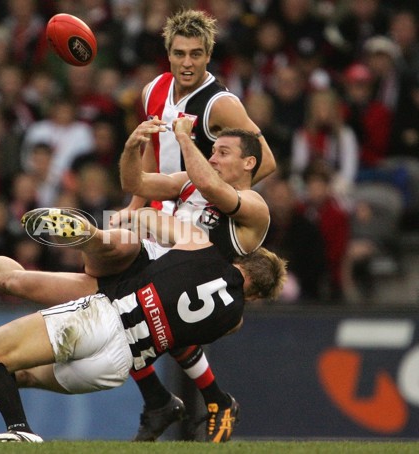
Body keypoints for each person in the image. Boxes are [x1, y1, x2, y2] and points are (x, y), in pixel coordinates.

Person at [0, 212, 287, 443]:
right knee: (20, 375)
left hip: (102, 315)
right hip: (118, 366)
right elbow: (186, 346)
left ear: (240, 261)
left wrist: (132, 217)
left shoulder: (204, 246)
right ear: (255, 295)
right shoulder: (233, 320)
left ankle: (21, 432)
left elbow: (152, 221)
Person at [111, 9, 276, 442]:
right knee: (129, 309)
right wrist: (135, 205)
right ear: (167, 54)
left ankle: (166, 401)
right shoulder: (153, 90)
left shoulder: (220, 102)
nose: (188, 62)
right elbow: (151, 151)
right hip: (160, 212)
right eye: (180, 53)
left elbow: (266, 159)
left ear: (208, 56)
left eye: (197, 54)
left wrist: (221, 202)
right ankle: (204, 398)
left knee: (129, 309)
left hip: (191, 223)